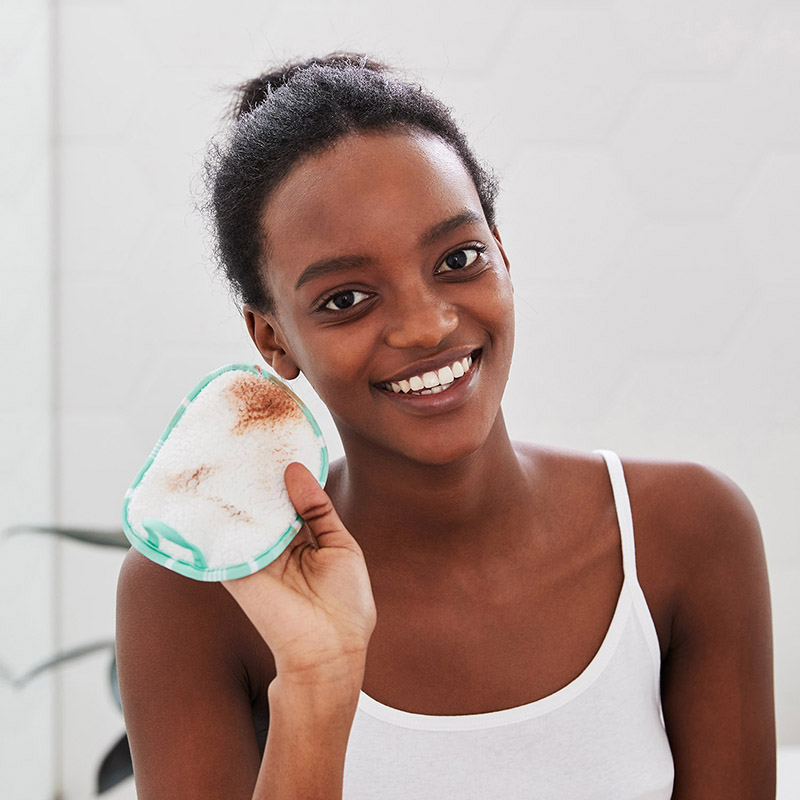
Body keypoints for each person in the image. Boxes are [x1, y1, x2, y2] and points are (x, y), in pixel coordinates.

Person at [116, 54, 775, 799]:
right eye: (346, 299)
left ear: (502, 251)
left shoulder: (686, 533)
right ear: (272, 339)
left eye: (459, 258)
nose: (428, 326)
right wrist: (316, 686)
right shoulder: (195, 597)